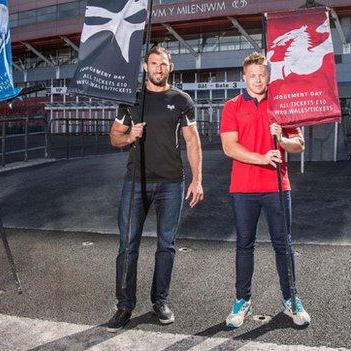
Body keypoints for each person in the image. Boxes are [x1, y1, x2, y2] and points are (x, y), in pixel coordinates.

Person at [106, 45, 204, 331]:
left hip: (172, 183)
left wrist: (197, 179)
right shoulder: (132, 99)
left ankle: (160, 301)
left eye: (163, 64)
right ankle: (124, 306)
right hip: (136, 182)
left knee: (166, 246)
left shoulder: (182, 100)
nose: (158, 68)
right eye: (153, 63)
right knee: (127, 246)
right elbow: (114, 137)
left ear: (170, 67)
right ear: (145, 67)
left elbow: (192, 141)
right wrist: (129, 136)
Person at [220, 52, 310, 328]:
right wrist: (261, 157)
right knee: (244, 245)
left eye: (262, 75)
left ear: (269, 76)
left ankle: (291, 299)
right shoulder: (232, 106)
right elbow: (229, 147)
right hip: (244, 188)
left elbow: (300, 144)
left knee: (283, 245)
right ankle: (242, 300)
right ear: (244, 77)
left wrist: (281, 138)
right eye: (253, 75)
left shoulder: (282, 104)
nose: (258, 80)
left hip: (277, 186)